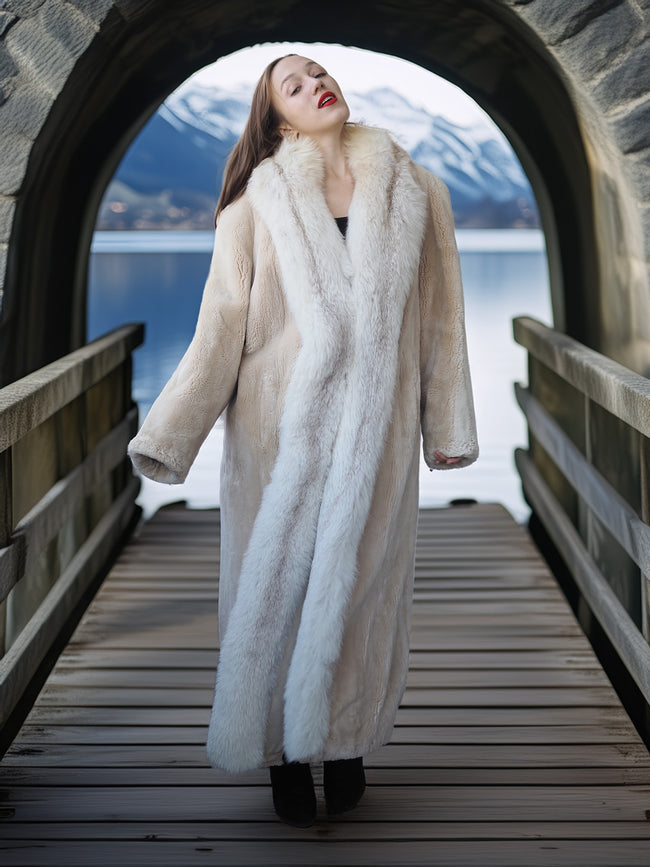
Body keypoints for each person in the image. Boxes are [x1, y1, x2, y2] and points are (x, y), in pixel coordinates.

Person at [128, 54, 478, 827]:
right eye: (294, 84)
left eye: (319, 72)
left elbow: (441, 319)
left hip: (380, 434)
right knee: (272, 588)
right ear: (278, 118)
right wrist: (171, 435)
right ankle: (281, 755)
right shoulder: (255, 204)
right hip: (274, 432)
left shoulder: (419, 190)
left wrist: (448, 425)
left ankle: (344, 740)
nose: (317, 83)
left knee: (363, 587)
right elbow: (219, 328)